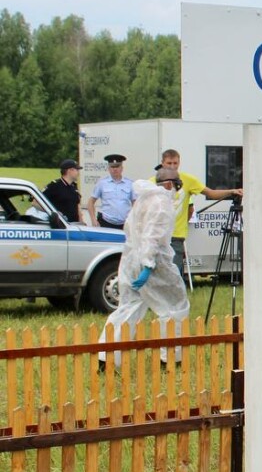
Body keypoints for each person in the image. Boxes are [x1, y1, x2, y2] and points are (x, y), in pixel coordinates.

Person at [97, 168, 190, 368]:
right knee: (175, 307)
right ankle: (171, 359)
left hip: (131, 261)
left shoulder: (143, 200)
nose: (178, 189)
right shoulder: (162, 204)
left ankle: (106, 358)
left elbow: (130, 230)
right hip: (154, 263)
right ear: (169, 184)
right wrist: (148, 265)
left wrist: (140, 262)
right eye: (178, 184)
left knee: (128, 308)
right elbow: (152, 237)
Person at [153, 149, 243, 277]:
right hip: (156, 235)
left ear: (179, 163)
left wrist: (231, 191)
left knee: (173, 275)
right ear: (162, 163)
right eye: (169, 163)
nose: (172, 166)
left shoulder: (187, 180)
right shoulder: (153, 181)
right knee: (156, 275)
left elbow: (211, 193)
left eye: (175, 163)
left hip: (176, 236)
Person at [87, 153, 136, 229]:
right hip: (106, 222)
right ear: (108, 168)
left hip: (124, 224)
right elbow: (91, 202)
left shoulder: (130, 184)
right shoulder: (102, 183)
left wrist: (134, 219)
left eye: (117, 166)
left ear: (122, 168)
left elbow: (135, 203)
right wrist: (93, 219)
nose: (115, 169)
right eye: (112, 167)